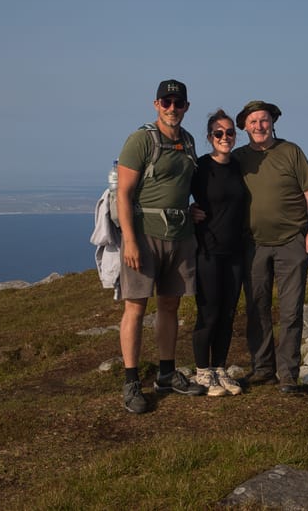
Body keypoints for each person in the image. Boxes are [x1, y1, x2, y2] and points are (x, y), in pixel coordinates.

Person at [116, 78, 204, 414]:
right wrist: (130, 241)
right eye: (165, 103)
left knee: (169, 306)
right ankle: (131, 381)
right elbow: (124, 193)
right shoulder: (141, 140)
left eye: (178, 103)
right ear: (156, 105)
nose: (172, 108)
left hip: (180, 236)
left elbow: (184, 185)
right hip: (144, 235)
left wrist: (193, 209)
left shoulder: (190, 142)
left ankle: (166, 373)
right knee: (135, 308)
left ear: (186, 107)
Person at [232, 100, 308, 394]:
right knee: (256, 306)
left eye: (264, 120)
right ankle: (262, 369)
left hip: (292, 243)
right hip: (253, 244)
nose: (259, 126)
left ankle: (288, 374)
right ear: (244, 126)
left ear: (273, 122)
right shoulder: (237, 158)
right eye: (253, 121)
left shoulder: (291, 152)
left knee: (291, 310)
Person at [190, 110, 246, 397]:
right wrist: (188, 210)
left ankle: (220, 368)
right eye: (218, 133)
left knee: (227, 312)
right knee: (209, 313)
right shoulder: (200, 167)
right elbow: (179, 193)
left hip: (236, 251)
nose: (225, 137)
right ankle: (202, 371)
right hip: (208, 251)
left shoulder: (240, 165)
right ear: (210, 137)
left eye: (229, 132)